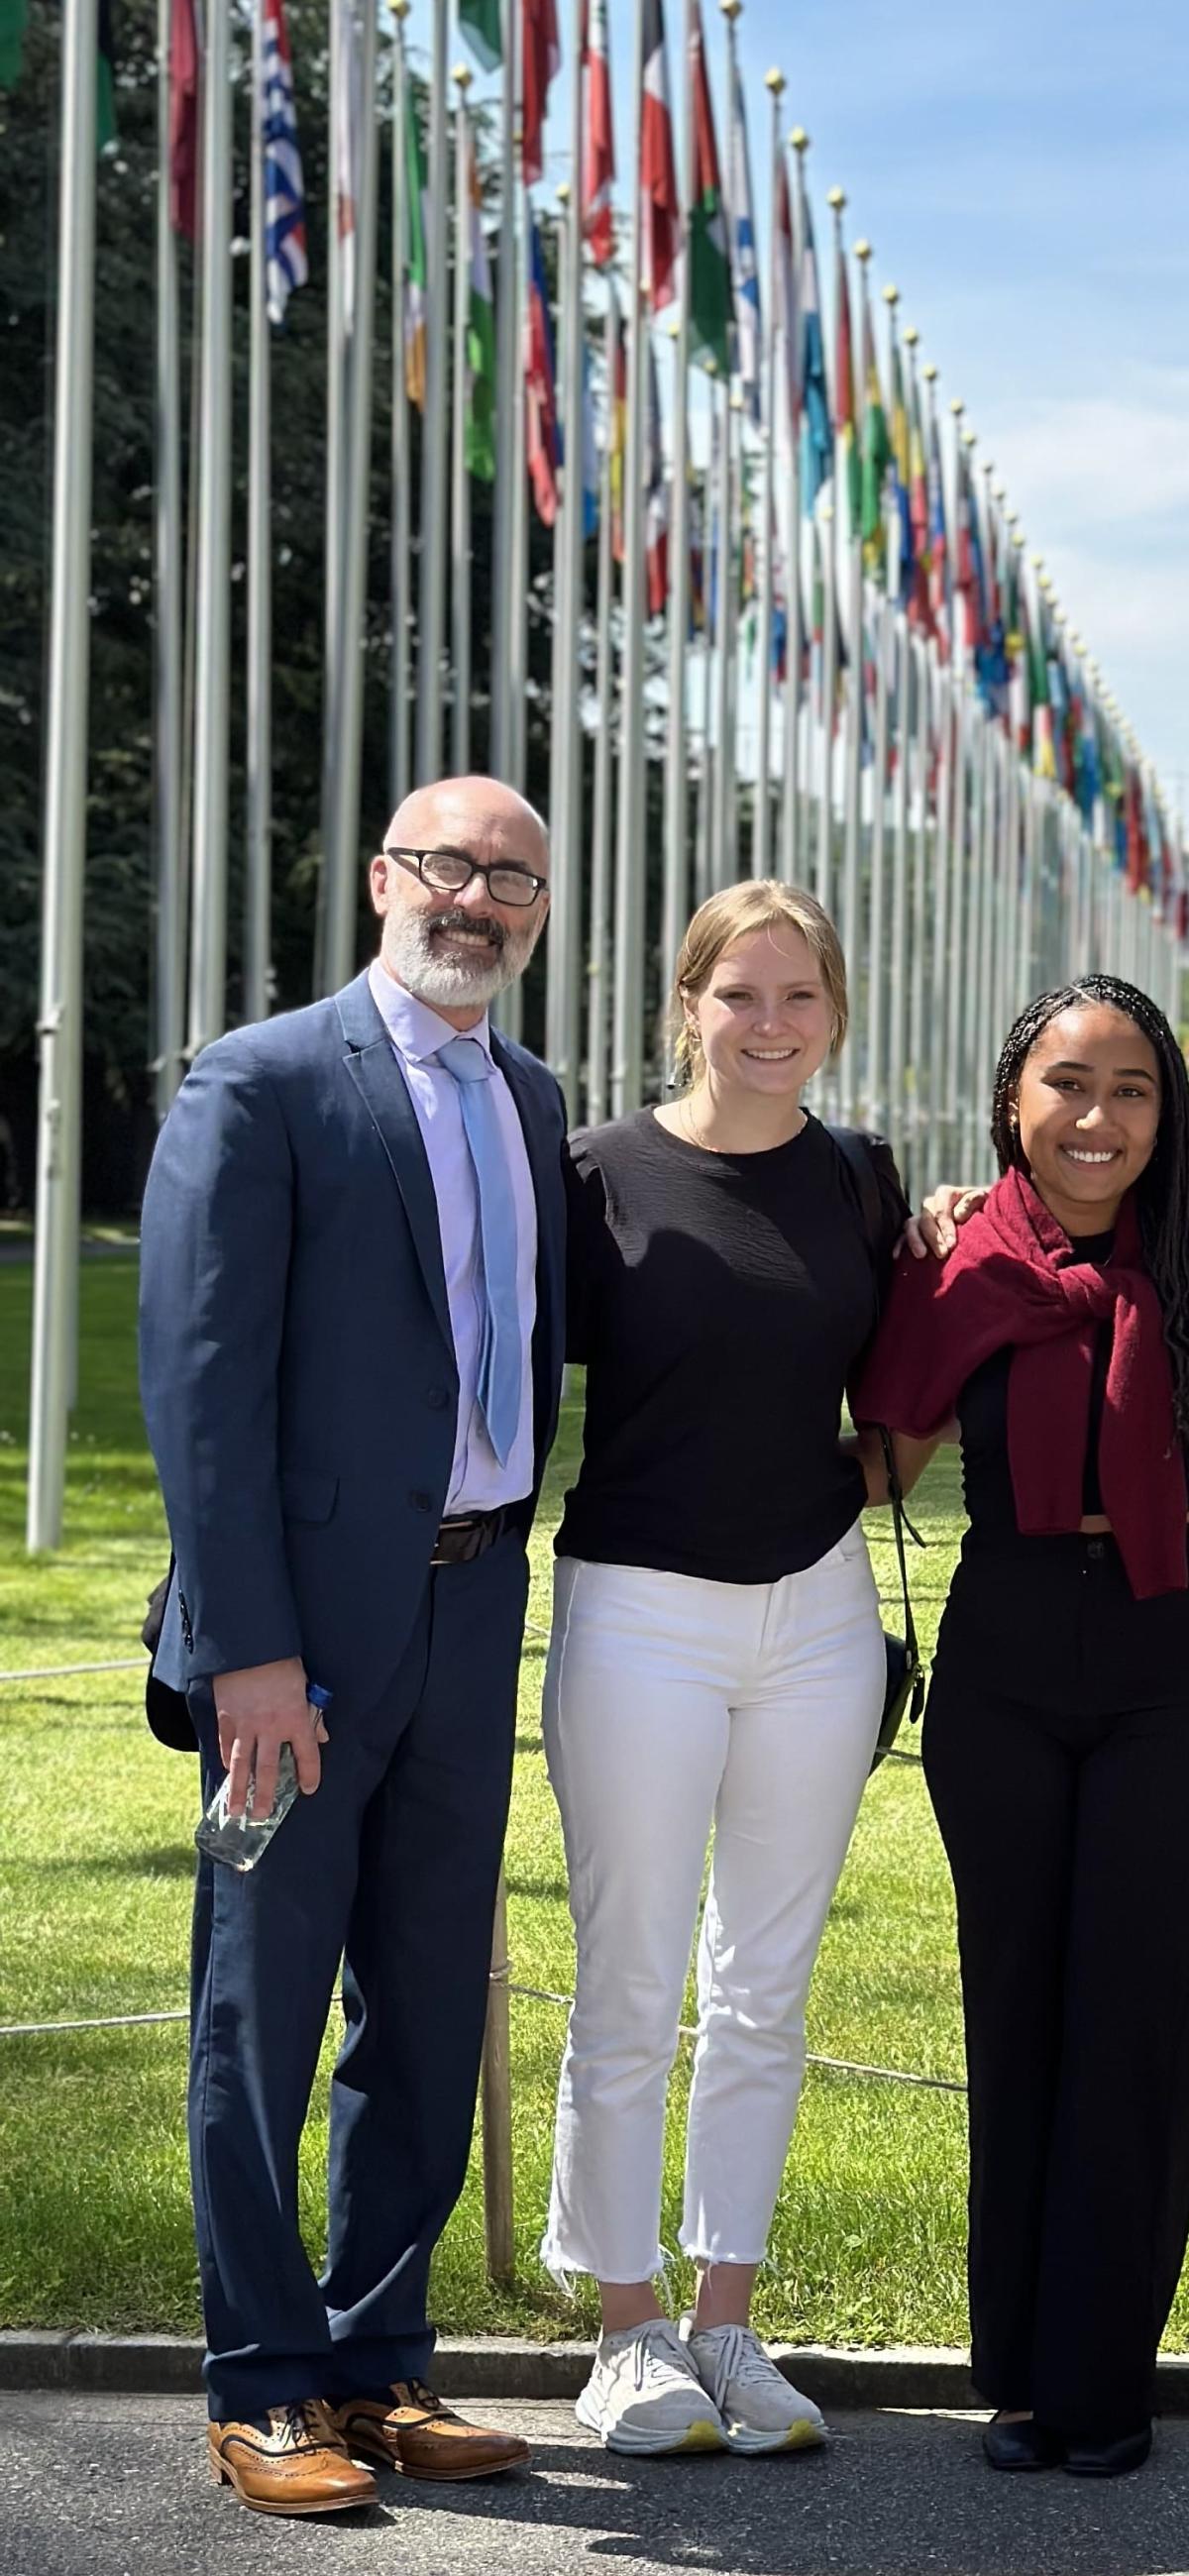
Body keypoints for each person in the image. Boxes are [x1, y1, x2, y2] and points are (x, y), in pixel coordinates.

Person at [140, 778, 566, 2517]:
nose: (477, 897)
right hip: (296, 1647)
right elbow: (203, 1383)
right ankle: (261, 2384)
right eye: (449, 866)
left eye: (512, 878)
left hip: (475, 1609)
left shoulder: (533, 1099)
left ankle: (379, 2357)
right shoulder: (260, 1081)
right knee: (265, 2003)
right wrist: (243, 1647)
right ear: (386, 878)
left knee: (424, 1988)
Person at [851, 974, 1189, 2480]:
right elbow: (879, 1466)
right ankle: (1020, 2372)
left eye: (1129, 1087)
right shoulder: (961, 1256)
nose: (1096, 1115)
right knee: (1018, 2004)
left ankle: (1101, 2384)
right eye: (1066, 1084)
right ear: (1013, 1102)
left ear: (1166, 1109)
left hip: (1178, 1652)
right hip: (1006, 1649)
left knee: (1135, 2011)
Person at [541, 882, 906, 2457]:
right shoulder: (597, 1176)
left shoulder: (866, 1179)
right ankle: (623, 2330)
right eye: (740, 995)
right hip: (638, 1612)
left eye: (800, 998)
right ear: (687, 1004)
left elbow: (903, 1396)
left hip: (818, 1618)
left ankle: (726, 2319)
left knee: (766, 1987)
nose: (771, 1026)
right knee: (628, 1979)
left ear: (835, 1012)